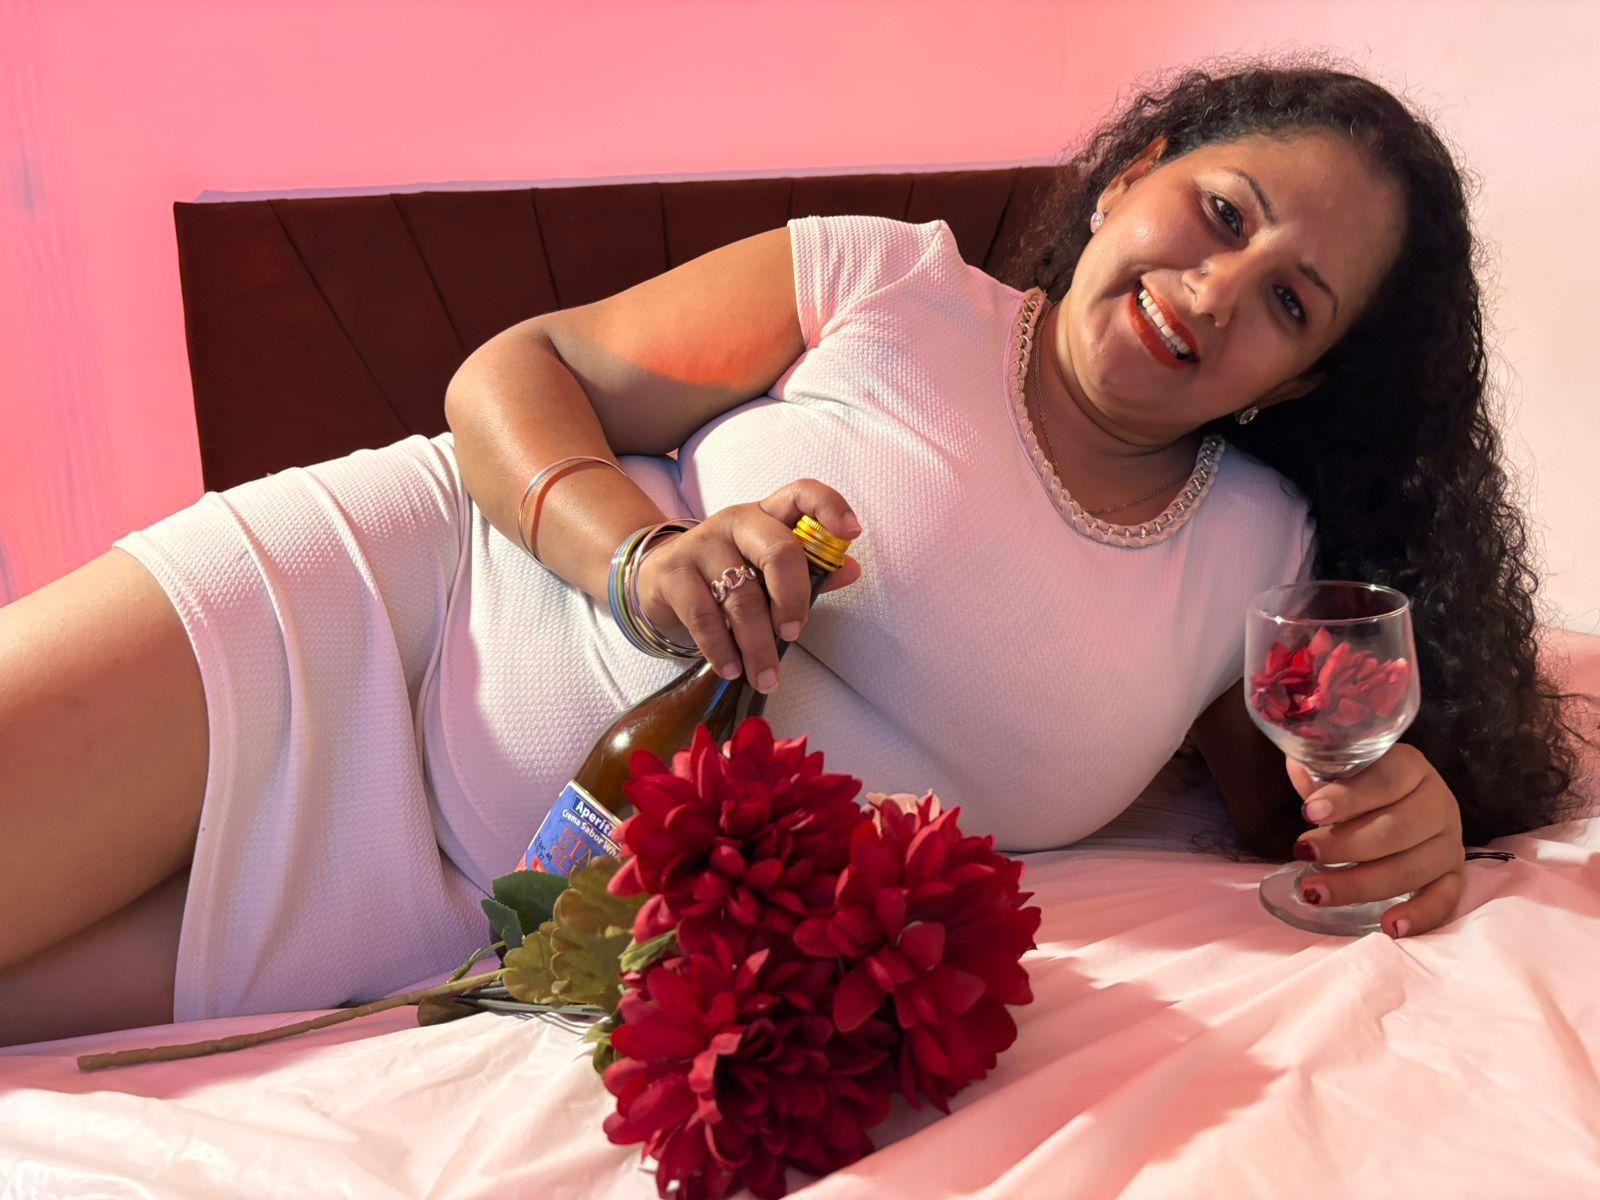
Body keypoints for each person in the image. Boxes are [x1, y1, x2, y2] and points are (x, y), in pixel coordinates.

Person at [0, 55, 1591, 1048]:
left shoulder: (1256, 550)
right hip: (368, 622)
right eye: (1224, 214)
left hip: (453, 921)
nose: (1219, 290)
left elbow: (1309, 805)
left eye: (1291, 304)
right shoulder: (884, 284)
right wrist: (641, 555)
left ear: (1298, 382)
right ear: (1129, 180)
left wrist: (1410, 814)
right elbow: (517, 373)